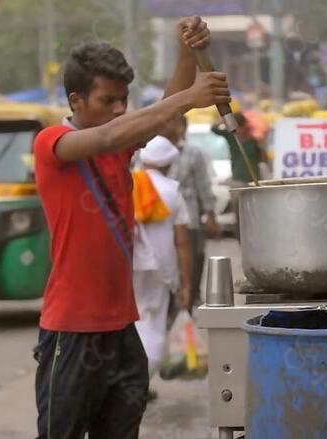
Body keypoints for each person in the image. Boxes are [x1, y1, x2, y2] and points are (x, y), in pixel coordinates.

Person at [32, 16, 230, 439]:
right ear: (76, 100)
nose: (120, 109)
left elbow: (156, 118)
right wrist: (191, 98)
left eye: (124, 99)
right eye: (108, 100)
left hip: (122, 331)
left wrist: (184, 53)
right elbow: (111, 136)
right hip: (71, 332)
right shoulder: (54, 144)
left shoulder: (118, 146)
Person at [132, 136, 192, 399]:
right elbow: (182, 242)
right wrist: (186, 284)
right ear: (168, 163)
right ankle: (136, 384)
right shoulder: (172, 190)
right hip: (161, 268)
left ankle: (128, 383)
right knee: (153, 325)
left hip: (127, 266)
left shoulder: (127, 184)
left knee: (133, 323)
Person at [165, 115, 219, 309]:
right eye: (172, 124)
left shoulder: (193, 153)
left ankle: (190, 300)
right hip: (162, 221)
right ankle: (170, 305)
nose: (176, 129)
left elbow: (203, 186)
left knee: (193, 261)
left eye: (179, 124)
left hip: (190, 219)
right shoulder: (150, 152)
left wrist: (211, 216)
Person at [211, 113, 263, 239]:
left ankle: (255, 238)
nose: (241, 130)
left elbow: (262, 158)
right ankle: (241, 239)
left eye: (242, 126)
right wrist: (225, 119)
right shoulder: (232, 138)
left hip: (252, 183)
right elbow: (214, 129)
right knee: (239, 215)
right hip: (237, 183)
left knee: (255, 215)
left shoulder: (253, 142)